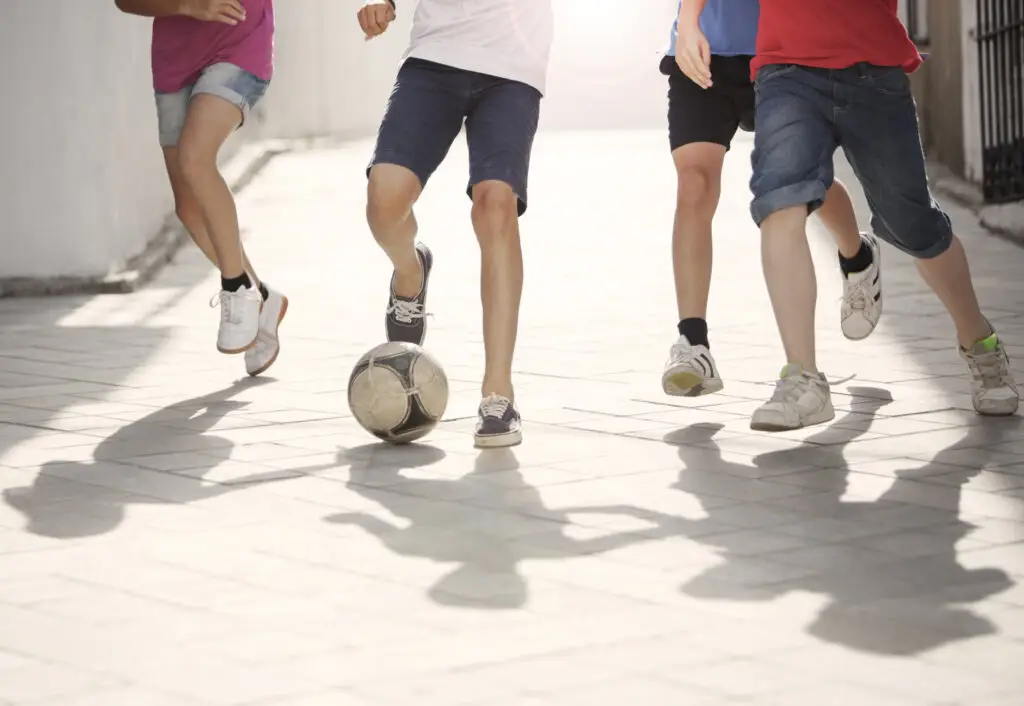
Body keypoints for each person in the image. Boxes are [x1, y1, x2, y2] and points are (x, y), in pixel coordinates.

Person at [675, 0, 1019, 429]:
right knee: (780, 199)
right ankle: (803, 378)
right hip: (786, 72)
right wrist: (689, 22)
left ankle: (979, 341)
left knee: (912, 224)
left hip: (872, 71)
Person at [357, 0, 553, 447]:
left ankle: (498, 394)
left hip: (513, 64)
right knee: (383, 201)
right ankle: (410, 271)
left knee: (495, 205)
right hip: (434, 57)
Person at [662, 0, 881, 399]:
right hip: (703, 47)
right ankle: (693, 343)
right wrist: (689, 22)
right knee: (694, 183)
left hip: (783, 49)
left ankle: (857, 255)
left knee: (800, 182)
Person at [114, 0, 288, 376]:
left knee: (195, 158)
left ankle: (237, 289)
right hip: (175, 61)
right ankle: (263, 297)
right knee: (188, 208)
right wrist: (189, 5)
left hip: (240, 44)